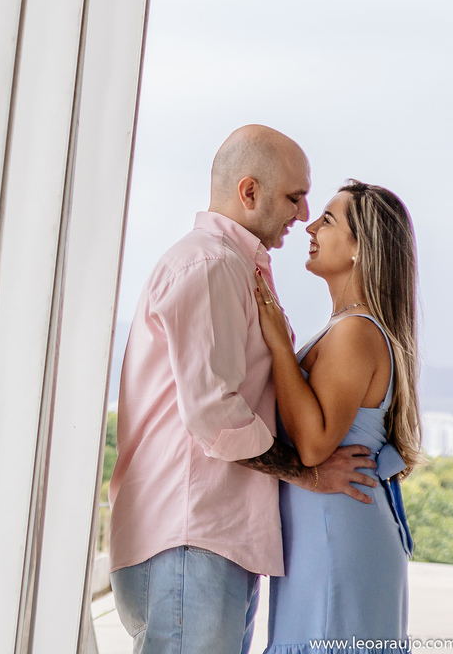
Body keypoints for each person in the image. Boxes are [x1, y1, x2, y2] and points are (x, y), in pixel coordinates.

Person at [108, 125, 379, 654]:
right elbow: (217, 414)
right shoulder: (210, 264)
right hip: (191, 536)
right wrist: (308, 473)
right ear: (249, 192)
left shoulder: (230, 265)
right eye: (295, 197)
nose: (303, 215)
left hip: (208, 539)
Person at [253, 180, 421, 653]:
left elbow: (313, 445)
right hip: (328, 529)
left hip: (337, 533)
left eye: (327, 220)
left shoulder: (355, 332)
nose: (309, 225)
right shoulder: (347, 327)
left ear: (359, 249)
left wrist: (279, 346)